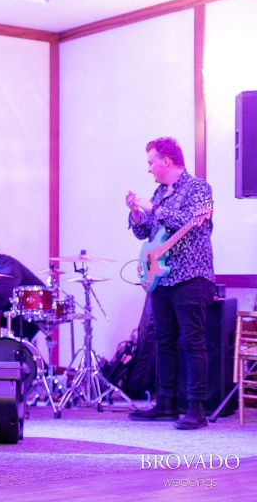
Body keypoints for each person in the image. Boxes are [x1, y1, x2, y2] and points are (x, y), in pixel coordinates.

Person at [126, 136, 215, 430]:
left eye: (151, 161)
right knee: (163, 342)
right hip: (161, 277)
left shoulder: (200, 188)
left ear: (166, 161)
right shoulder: (160, 192)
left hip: (191, 275)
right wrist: (138, 214)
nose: (149, 168)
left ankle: (196, 408)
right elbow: (147, 234)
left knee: (192, 341)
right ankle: (166, 403)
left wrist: (152, 207)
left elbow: (187, 220)